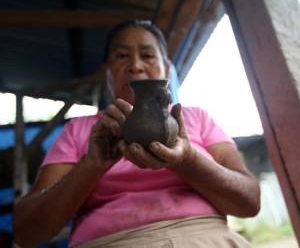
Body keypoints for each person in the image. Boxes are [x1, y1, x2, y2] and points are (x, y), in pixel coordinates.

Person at [13, 20, 260, 248]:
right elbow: (27, 233)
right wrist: (92, 165)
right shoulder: (78, 130)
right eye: (121, 56)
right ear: (107, 72)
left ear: (165, 68)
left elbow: (249, 202)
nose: (135, 65)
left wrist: (189, 161)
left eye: (148, 55)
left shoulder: (197, 118)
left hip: (203, 238)